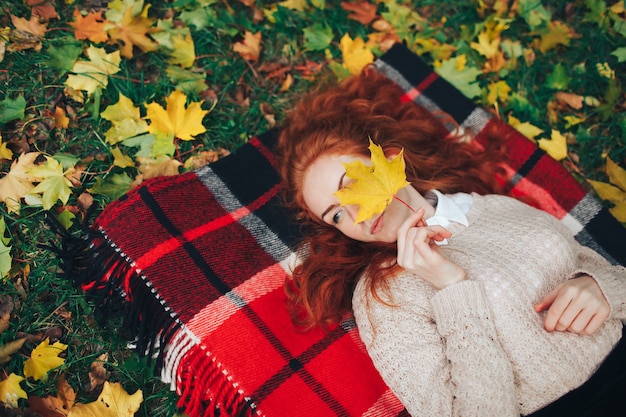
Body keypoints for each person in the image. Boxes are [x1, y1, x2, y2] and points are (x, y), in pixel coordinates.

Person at [276, 67, 626, 417]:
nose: (356, 213)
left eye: (352, 183)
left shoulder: (489, 206)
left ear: (390, 157)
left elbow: (599, 267)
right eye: (336, 215)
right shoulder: (383, 297)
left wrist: (601, 287)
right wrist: (451, 287)